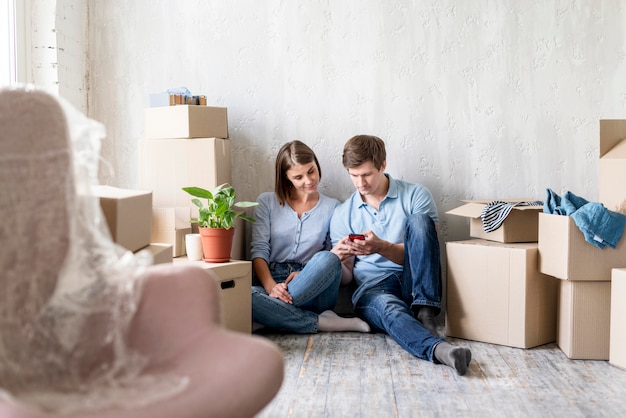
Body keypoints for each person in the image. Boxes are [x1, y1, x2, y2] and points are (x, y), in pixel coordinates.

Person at [330, 134, 472, 375]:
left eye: (366, 174)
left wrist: (380, 247)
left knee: (419, 221)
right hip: (372, 289)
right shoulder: (343, 213)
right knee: (389, 310)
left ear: (383, 166)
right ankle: (441, 351)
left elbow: (424, 253)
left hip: (413, 282)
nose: (360, 183)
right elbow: (347, 279)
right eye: (354, 175)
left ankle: (425, 312)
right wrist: (338, 257)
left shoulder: (416, 195)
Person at [251, 140, 370, 333]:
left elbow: (341, 276)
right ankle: (322, 322)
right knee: (243, 297)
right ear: (286, 178)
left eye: (311, 171)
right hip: (274, 283)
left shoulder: (333, 207)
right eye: (298, 177)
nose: (309, 180)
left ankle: (271, 316)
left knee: (326, 257)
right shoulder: (266, 202)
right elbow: (259, 250)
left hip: (315, 286)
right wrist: (272, 287)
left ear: (317, 164)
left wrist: (336, 258)